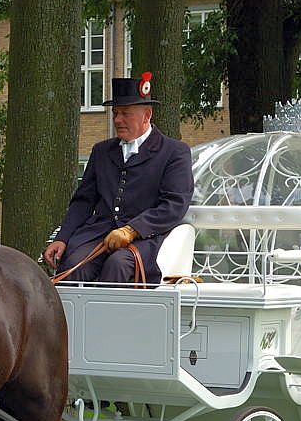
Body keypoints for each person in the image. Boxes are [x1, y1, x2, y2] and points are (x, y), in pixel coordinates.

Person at [44, 72, 194, 283]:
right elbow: (83, 202)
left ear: (147, 115)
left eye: (125, 113)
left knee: (119, 265)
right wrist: (62, 238)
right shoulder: (101, 151)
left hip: (146, 237)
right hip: (98, 235)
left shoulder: (174, 152)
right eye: (115, 113)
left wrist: (132, 229)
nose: (117, 120)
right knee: (73, 264)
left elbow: (174, 204)